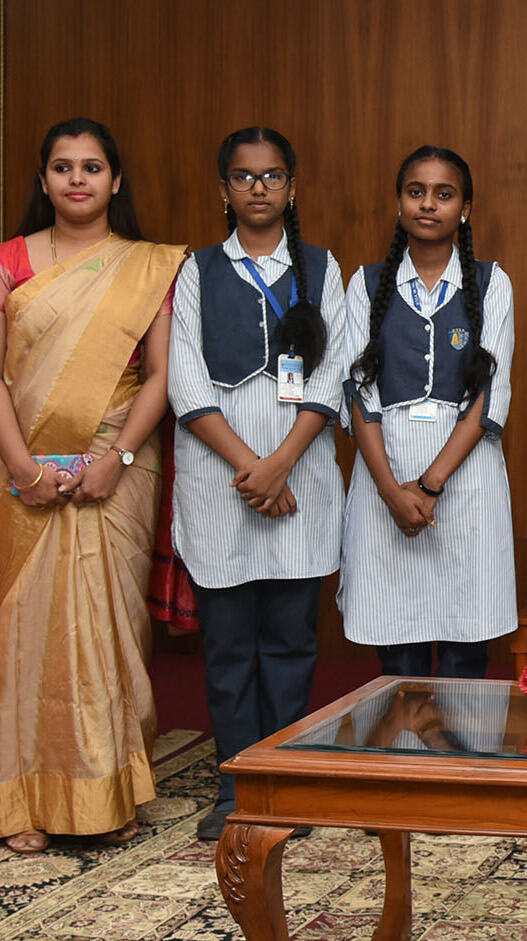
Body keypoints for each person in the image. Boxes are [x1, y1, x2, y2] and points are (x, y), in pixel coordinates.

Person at [0, 117, 186, 854]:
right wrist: (24, 470)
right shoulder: (7, 261)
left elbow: (160, 376)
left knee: (107, 625)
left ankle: (106, 790)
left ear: (115, 180)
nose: (78, 179)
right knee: (24, 630)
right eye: (63, 167)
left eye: (93, 166)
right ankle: (21, 794)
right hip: (19, 464)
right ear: (44, 179)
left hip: (114, 463)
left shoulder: (149, 265)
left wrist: (115, 459)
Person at [167, 127, 345, 842]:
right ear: (224, 190)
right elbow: (183, 376)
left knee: (291, 639)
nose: (259, 188)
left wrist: (282, 462)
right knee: (230, 643)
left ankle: (286, 777)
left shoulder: (323, 269)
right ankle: (236, 783)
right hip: (220, 477)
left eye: (273, 176)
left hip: (298, 473)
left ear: (292, 187)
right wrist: (252, 465)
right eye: (244, 177)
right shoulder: (197, 271)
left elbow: (334, 370)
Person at [339, 146, 515, 681]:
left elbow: (491, 392)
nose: (428, 204)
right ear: (399, 203)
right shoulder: (366, 285)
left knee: (466, 650)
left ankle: (463, 767)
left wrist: (430, 484)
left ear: (465, 207)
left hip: (466, 478)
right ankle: (404, 763)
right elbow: (357, 394)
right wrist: (393, 491)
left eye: (444, 194)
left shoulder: (490, 283)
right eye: (416, 192)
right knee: (398, 655)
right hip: (384, 476)